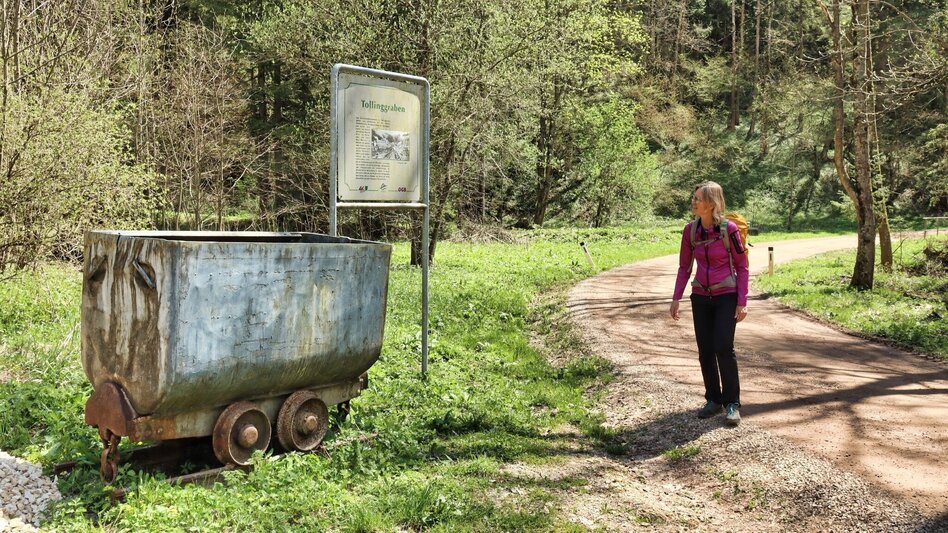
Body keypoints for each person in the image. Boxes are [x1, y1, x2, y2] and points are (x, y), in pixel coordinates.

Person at [668, 181, 749, 426]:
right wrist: (676, 297)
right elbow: (685, 266)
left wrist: (742, 302)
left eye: (698, 199)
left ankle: (732, 403)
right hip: (701, 297)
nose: (693, 202)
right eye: (693, 198)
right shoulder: (690, 231)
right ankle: (713, 399)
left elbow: (742, 267)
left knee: (723, 347)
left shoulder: (729, 229)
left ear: (711, 204)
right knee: (705, 351)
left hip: (726, 295)